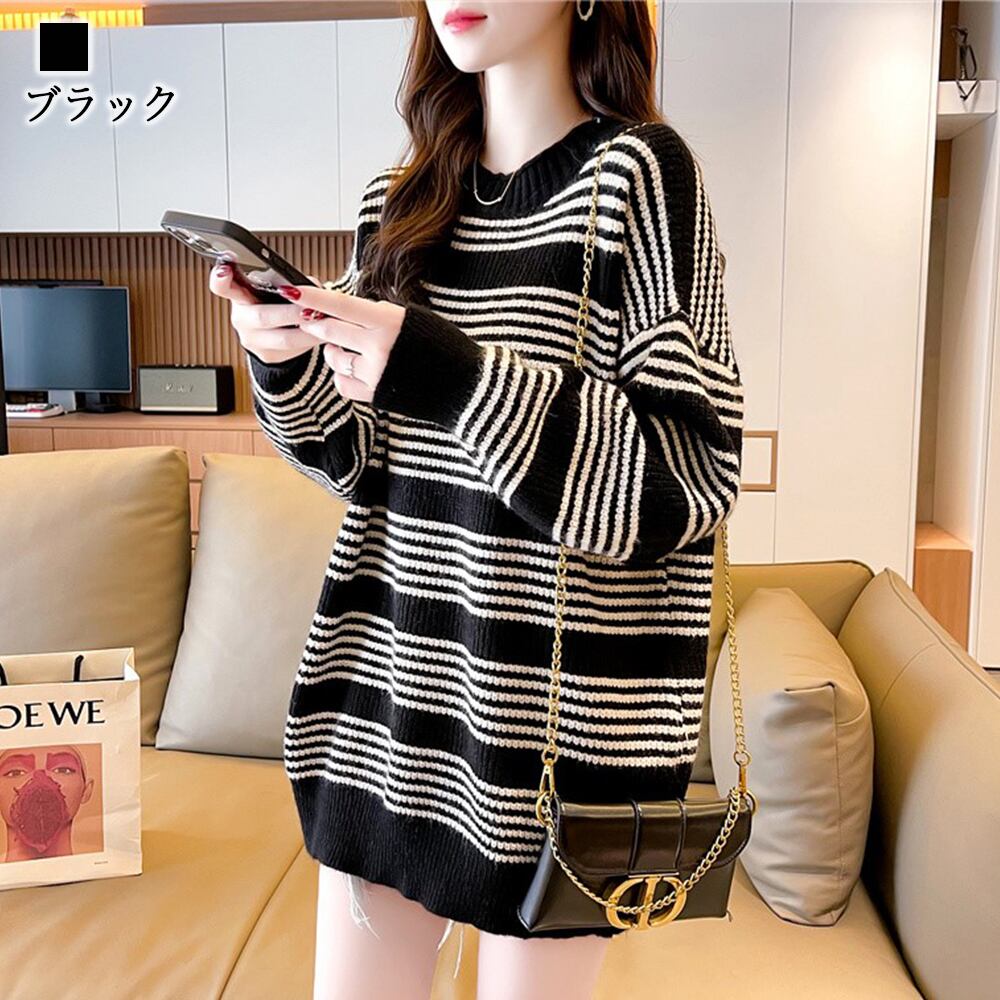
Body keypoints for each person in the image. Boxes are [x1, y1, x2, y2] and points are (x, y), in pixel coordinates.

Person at [209, 2, 744, 998]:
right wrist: (282, 360)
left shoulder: (639, 177)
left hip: (559, 751)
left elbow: (691, 474)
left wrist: (447, 373)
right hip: (385, 715)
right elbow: (356, 463)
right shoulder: (398, 202)